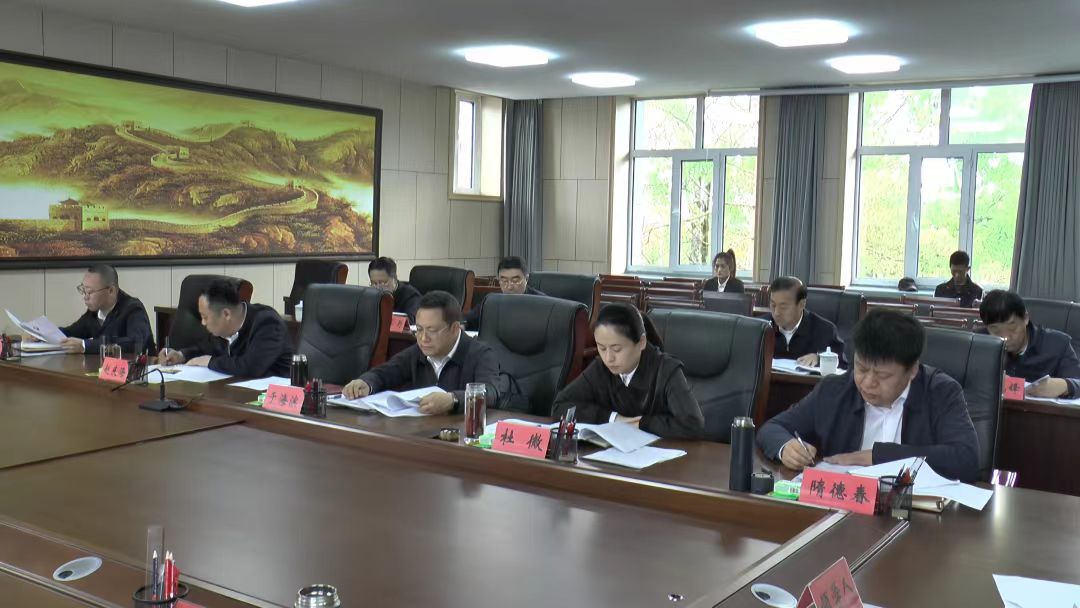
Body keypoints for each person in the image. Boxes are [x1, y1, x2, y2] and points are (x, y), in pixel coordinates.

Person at [757, 309, 980, 482]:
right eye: (861, 369)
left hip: (912, 514)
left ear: (912, 370)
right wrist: (786, 447)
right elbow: (772, 428)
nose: (868, 382)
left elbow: (966, 459)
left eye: (882, 375)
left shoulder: (941, 392)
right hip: (842, 511)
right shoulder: (835, 389)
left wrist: (877, 456)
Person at [551, 303, 705, 439]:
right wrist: (615, 419)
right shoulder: (600, 368)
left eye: (617, 349)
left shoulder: (666, 370)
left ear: (641, 342)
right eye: (602, 348)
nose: (608, 358)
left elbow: (692, 424)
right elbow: (560, 405)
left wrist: (641, 423)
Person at [342, 291, 502, 415]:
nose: (423, 338)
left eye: (432, 330)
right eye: (418, 330)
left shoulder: (481, 354)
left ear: (454, 329)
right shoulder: (418, 352)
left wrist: (453, 399)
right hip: (423, 432)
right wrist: (366, 383)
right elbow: (386, 372)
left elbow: (490, 392)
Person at [157, 278, 292, 377]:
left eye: (205, 317)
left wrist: (210, 362)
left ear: (226, 314)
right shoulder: (223, 329)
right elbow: (204, 349)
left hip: (271, 397)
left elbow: (251, 367)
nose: (203, 323)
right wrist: (180, 355)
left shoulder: (268, 323)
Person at [979, 290, 1080, 399]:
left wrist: (1065, 386)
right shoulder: (978, 342)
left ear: (1025, 318)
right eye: (995, 330)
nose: (1005, 337)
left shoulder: (1058, 344)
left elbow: (1077, 381)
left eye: (1012, 327)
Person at [51, 264, 154, 355]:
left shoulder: (133, 309)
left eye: (90, 292)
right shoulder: (94, 312)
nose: (85, 297)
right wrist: (46, 333)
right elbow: (71, 332)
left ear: (111, 290)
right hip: (102, 367)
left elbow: (135, 343)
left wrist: (84, 346)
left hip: (138, 369)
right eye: (83, 290)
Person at [766, 276, 846, 368]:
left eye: (783, 307)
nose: (776, 313)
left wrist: (819, 359)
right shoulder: (760, 327)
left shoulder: (825, 331)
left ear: (801, 304)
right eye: (773, 305)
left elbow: (843, 365)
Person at [463, 256, 547, 331]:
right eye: (504, 281)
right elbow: (468, 320)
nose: (509, 286)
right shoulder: (492, 301)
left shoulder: (542, 303)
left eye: (515, 281)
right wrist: (463, 325)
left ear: (527, 279)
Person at [368, 257, 421, 323]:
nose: (378, 288)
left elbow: (409, 322)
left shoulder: (411, 297)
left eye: (383, 282)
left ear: (395, 278)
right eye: (374, 283)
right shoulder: (371, 296)